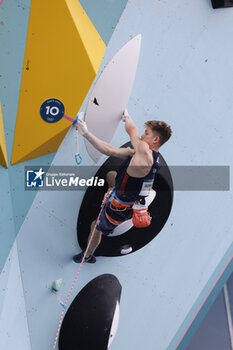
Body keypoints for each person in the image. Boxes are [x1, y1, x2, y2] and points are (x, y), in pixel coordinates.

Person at [73, 109, 172, 263]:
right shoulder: (140, 154)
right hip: (127, 192)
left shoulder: (145, 157)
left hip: (120, 209)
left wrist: (128, 118)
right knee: (111, 175)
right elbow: (110, 150)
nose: (142, 136)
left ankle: (87, 255)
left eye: (146, 133)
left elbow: (132, 131)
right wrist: (86, 133)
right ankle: (112, 191)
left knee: (96, 227)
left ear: (155, 140)